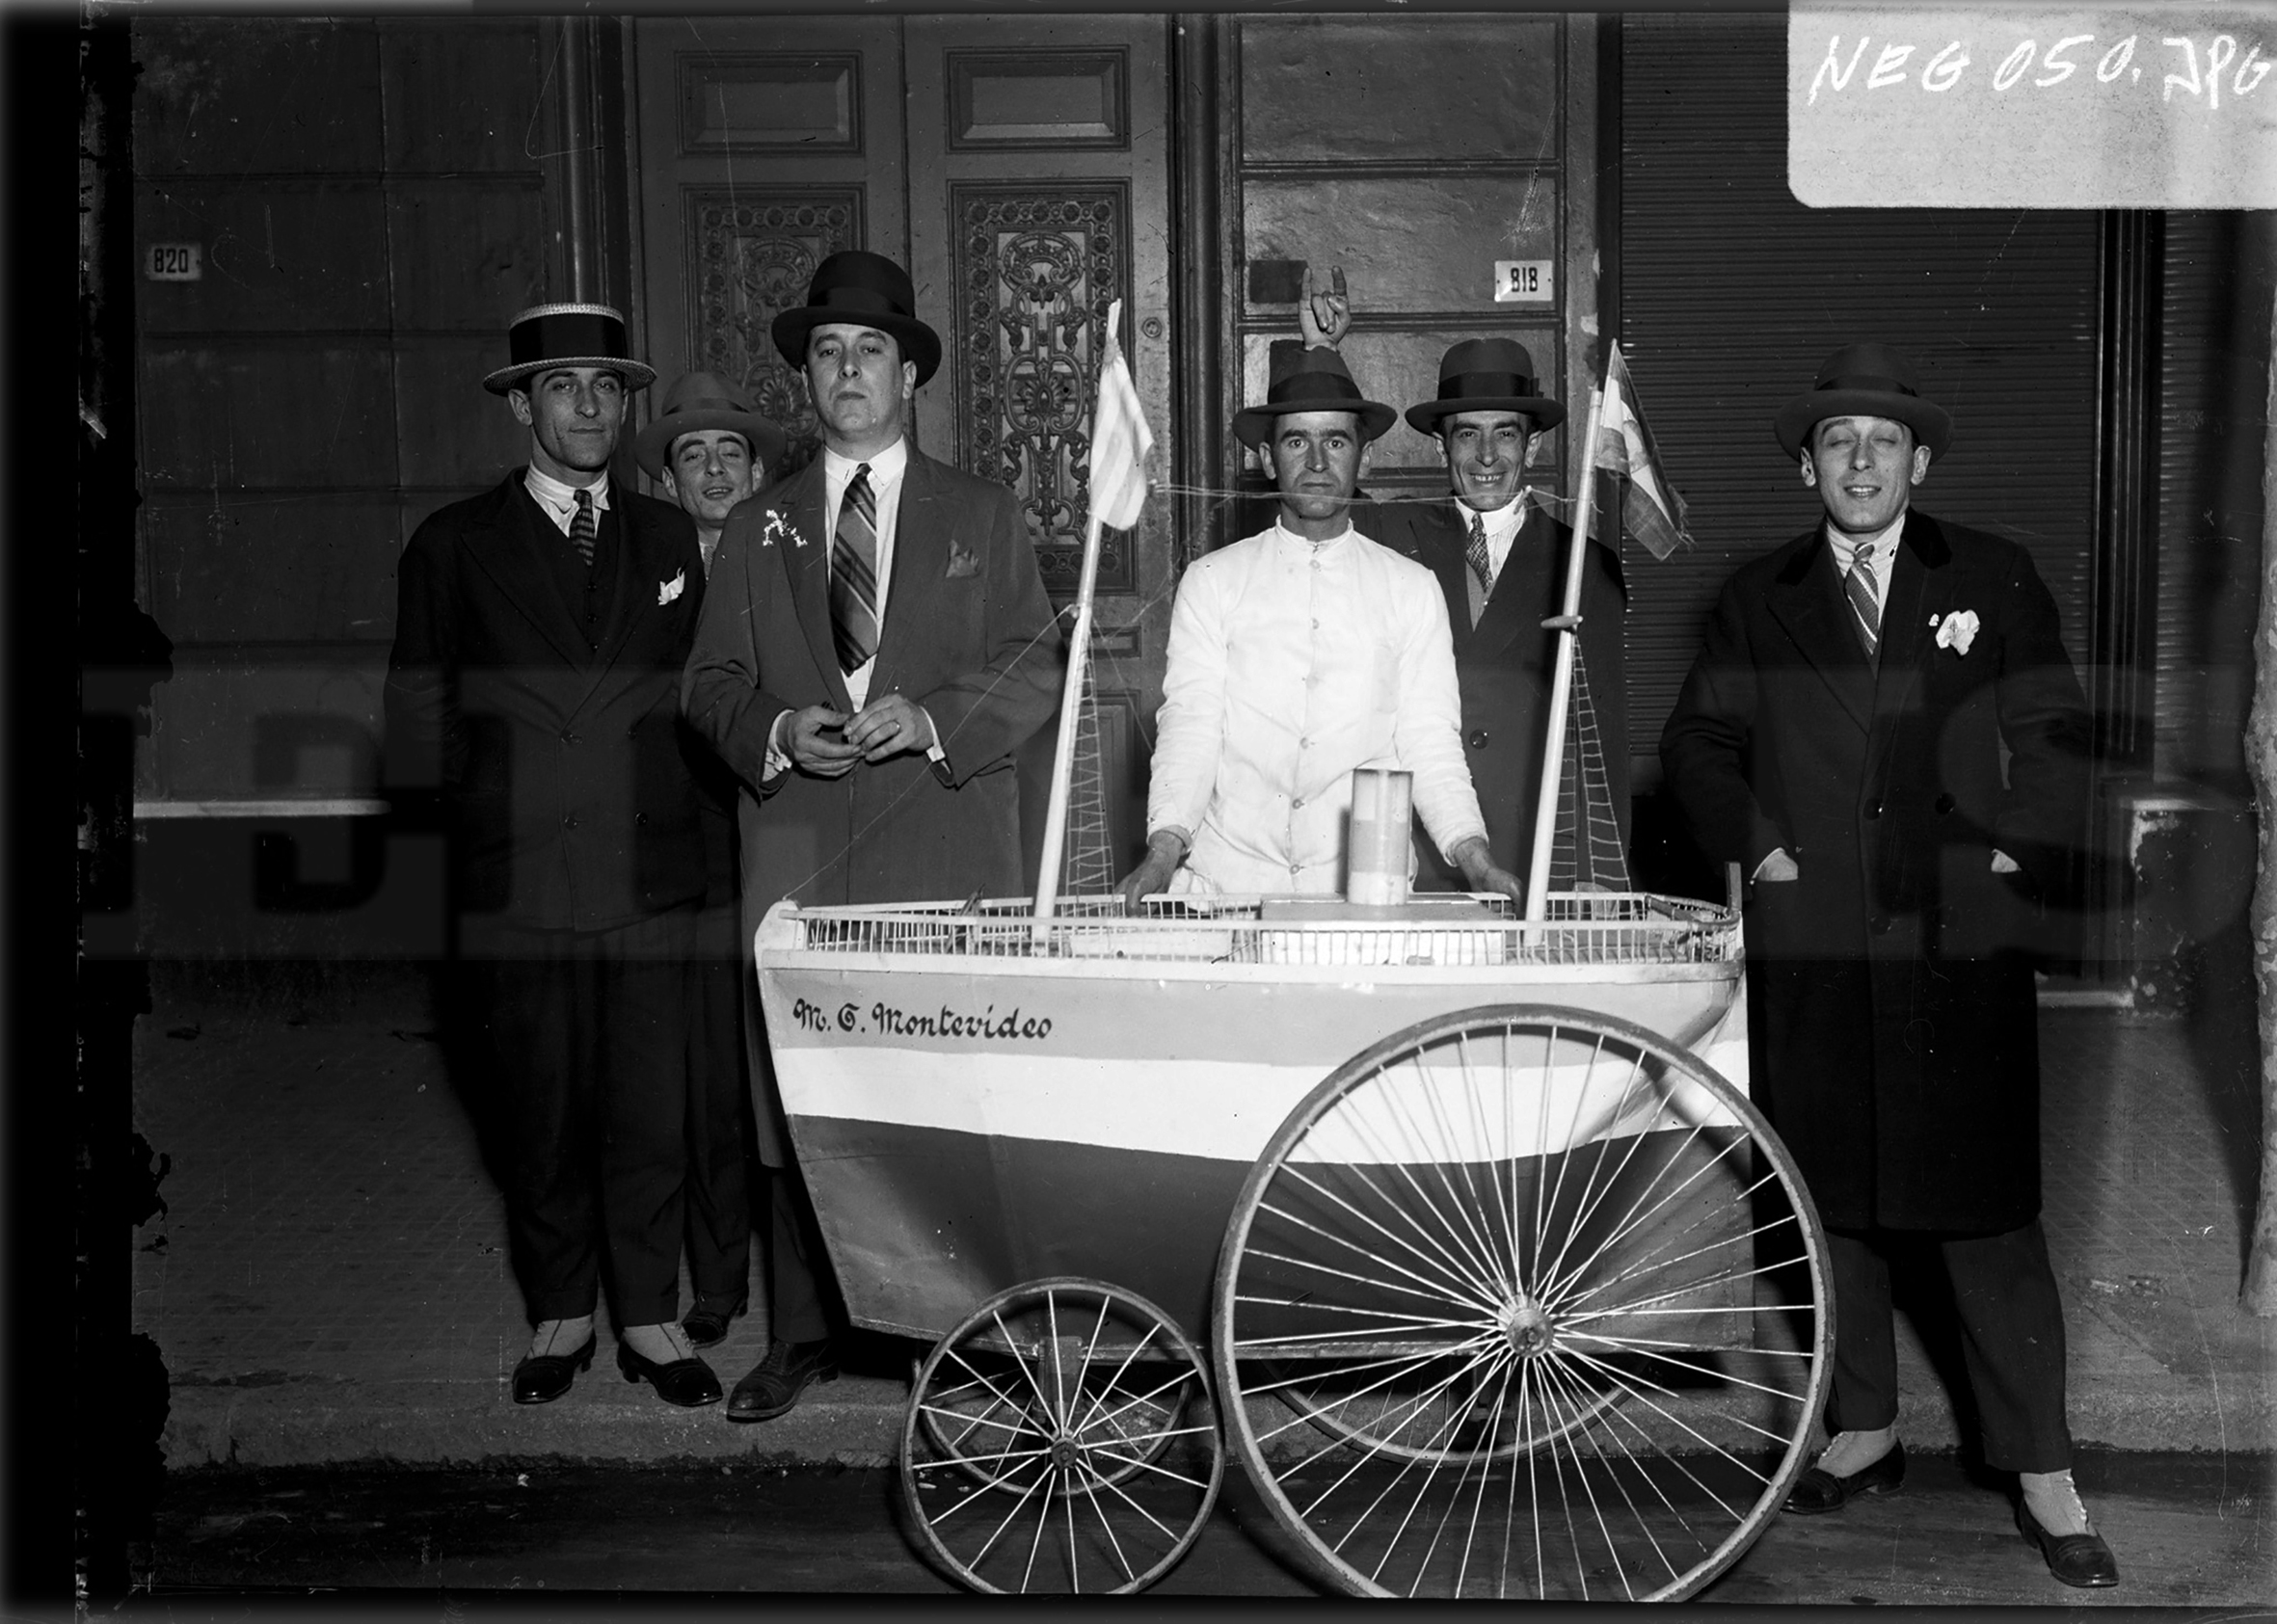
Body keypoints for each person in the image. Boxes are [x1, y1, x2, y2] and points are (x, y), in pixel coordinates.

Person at [1659, 344, 2115, 1587]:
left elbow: (2057, 730)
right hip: (1814, 946)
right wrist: (1757, 850)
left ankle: (2040, 1465)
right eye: (1835, 442)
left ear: (1917, 460)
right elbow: (1698, 737)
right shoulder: (1760, 596)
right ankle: (1862, 1428)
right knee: (1833, 1209)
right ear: (1808, 464)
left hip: (1954, 945)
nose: (1858, 461)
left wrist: (2016, 854)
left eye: (1882, 441)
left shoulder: (1991, 574)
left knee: (1983, 1218)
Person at [682, 250, 1064, 1422]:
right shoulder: (758, 526)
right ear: (808, 376)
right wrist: (786, 726)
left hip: (940, 845)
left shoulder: (984, 515)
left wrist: (935, 719)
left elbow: (1034, 664)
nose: (848, 371)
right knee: (801, 1093)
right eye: (827, 353)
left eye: (870, 351)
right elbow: (707, 685)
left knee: (942, 1089)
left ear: (911, 374)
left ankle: (960, 1341)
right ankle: (801, 1336)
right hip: (801, 852)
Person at [383, 303, 723, 1409]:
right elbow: (417, 721)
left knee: (646, 1104)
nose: (590, 404)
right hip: (514, 880)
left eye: (609, 386)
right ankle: (562, 1307)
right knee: (537, 1102)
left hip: (649, 874)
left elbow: (701, 700)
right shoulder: (451, 544)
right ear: (522, 404)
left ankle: (649, 1314)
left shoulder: (669, 539)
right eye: (565, 385)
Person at [1117, 343, 1523, 905]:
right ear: (1266, 459)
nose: (1315, 463)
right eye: (1295, 441)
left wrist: (1474, 858)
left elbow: (1429, 744)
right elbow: (1191, 726)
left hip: (1360, 897)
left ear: (1364, 458)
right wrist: (1163, 852)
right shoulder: (1213, 581)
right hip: (1227, 888)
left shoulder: (1410, 588)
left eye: (1334, 441)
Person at [631, 371, 789, 1353]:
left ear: (760, 469)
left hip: (781, 839)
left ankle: (792, 1287)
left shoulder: (791, 557)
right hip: (677, 855)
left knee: (770, 1074)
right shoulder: (644, 573)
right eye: (693, 455)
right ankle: (716, 1283)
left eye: (732, 451)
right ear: (670, 480)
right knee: (694, 1077)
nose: (716, 468)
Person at [1357, 336, 1630, 891]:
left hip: (1529, 846)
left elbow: (1601, 733)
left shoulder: (1582, 565)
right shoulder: (1386, 536)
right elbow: (1321, 492)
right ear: (1441, 448)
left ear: (1531, 449)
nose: (1486, 456)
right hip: (1416, 846)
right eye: (1466, 434)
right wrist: (1321, 356)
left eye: (1505, 433)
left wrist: (1596, 874)